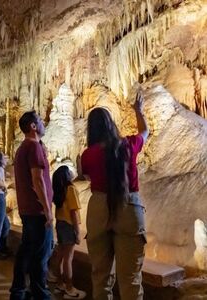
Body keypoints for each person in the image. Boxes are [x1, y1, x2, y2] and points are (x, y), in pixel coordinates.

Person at [81, 91, 149, 300]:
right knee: (130, 279)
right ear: (111, 125)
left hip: (99, 208)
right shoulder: (127, 145)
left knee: (101, 278)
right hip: (128, 206)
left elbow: (85, 174)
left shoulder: (88, 155)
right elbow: (145, 132)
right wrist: (138, 111)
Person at [10, 110, 54, 300]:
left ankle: (19, 291)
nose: (44, 124)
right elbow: (38, 180)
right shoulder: (34, 147)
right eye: (41, 121)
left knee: (26, 250)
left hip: (28, 210)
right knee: (41, 254)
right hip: (37, 210)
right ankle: (40, 293)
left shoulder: (22, 148)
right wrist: (47, 209)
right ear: (33, 126)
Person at [52, 165, 86, 299]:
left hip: (60, 224)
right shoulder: (71, 189)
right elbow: (74, 212)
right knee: (68, 259)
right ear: (66, 175)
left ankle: (60, 283)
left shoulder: (59, 191)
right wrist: (77, 232)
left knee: (60, 256)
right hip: (68, 225)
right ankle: (70, 288)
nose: (72, 171)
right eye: (69, 170)